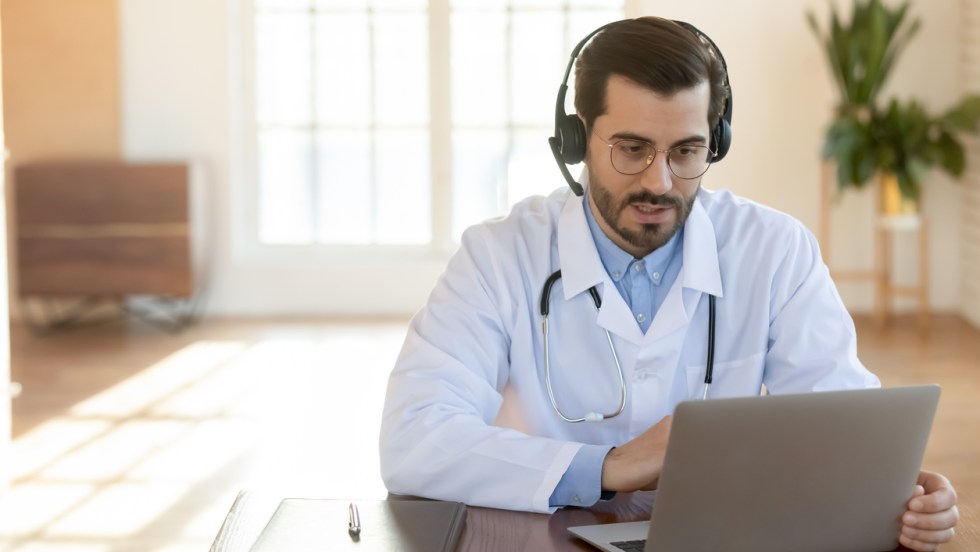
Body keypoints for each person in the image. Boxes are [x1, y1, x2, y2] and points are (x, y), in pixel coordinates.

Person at [378, 16, 958, 551]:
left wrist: (903, 496)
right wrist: (607, 465)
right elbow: (415, 436)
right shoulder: (499, 255)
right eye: (631, 149)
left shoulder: (775, 249)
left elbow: (848, 428)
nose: (659, 182)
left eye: (686, 151)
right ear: (577, 139)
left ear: (716, 141)